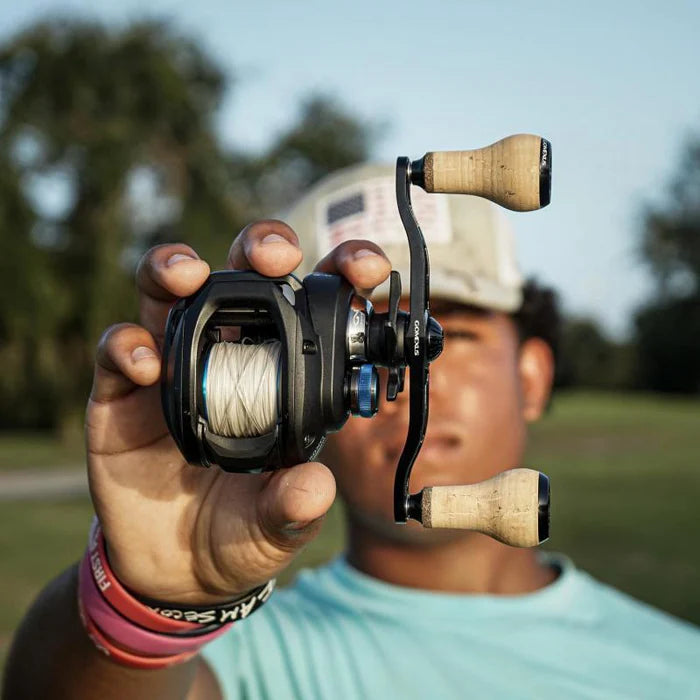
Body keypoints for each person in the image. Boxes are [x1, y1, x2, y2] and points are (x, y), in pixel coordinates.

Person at [3, 164, 699, 700]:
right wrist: (148, 608)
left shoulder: (678, 667)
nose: (414, 379)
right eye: (347, 344)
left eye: (452, 332)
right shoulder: (240, 661)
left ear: (535, 376)